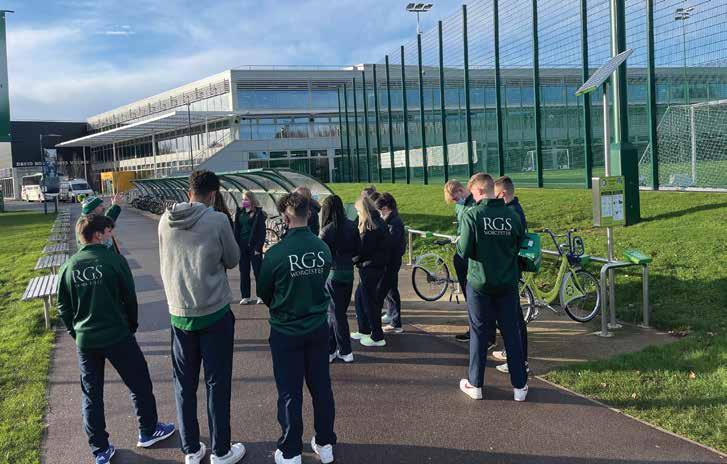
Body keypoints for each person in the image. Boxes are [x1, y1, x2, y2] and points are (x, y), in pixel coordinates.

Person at [57, 215, 175, 464]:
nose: (111, 236)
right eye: (108, 232)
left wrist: (75, 332)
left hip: (86, 340)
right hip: (117, 334)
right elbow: (129, 297)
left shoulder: (68, 266)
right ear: (98, 235)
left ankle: (100, 449)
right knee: (139, 382)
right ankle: (148, 429)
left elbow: (64, 307)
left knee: (91, 394)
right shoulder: (113, 260)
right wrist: (130, 325)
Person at [158, 170, 245, 464]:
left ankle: (191, 450)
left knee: (184, 385)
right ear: (213, 194)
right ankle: (221, 450)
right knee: (217, 384)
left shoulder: (164, 220)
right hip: (214, 313)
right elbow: (233, 259)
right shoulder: (217, 220)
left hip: (179, 314)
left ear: (189, 192)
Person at [257, 192, 337, 464]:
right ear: (309, 214)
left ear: (285, 218)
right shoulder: (322, 248)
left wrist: (282, 305)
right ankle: (325, 443)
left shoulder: (276, 254)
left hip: (286, 330)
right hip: (317, 327)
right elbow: (322, 279)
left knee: (290, 392)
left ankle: (291, 450)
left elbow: (264, 292)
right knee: (321, 387)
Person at [456, 173, 528, 402]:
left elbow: (463, 250)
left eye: (473, 193)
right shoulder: (512, 215)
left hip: (480, 282)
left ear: (479, 191)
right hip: (507, 281)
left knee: (479, 331)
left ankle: (475, 383)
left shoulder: (472, 215)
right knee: (511, 332)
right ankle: (520, 386)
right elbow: (520, 243)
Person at [492, 175, 529, 375]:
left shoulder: (512, 213)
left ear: (503, 194)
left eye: (496, 195)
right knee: (512, 317)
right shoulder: (514, 210)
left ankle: (520, 361)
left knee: (514, 319)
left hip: (509, 271)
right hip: (509, 270)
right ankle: (513, 354)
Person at [319, 194, 360, 363]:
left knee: (336, 314)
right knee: (336, 313)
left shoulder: (326, 230)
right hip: (348, 273)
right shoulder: (352, 225)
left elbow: (321, 256)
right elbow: (358, 250)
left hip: (332, 274)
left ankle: (345, 350)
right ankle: (331, 349)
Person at [351, 196, 390, 347]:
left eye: (358, 211)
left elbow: (362, 250)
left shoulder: (370, 227)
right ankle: (365, 329)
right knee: (361, 298)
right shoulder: (378, 222)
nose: (357, 214)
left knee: (369, 302)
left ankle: (377, 336)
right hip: (374, 266)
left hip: (370, 267)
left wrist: (350, 260)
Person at [443, 179, 477, 343]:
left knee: (475, 297)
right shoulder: (460, 206)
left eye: (456, 198)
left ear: (461, 191)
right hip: (461, 253)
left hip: (472, 256)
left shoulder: (475, 204)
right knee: (469, 296)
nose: (456, 202)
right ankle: (474, 328)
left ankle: (481, 331)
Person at [376, 193, 406, 333]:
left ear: (387, 208)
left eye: (381, 209)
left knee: (384, 291)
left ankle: (394, 321)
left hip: (391, 261)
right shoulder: (392, 220)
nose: (380, 212)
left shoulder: (394, 222)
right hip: (391, 261)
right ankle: (394, 319)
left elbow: (391, 243)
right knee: (391, 290)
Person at [234, 190, 267, 305]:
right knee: (244, 271)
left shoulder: (258, 213)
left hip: (254, 246)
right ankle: (245, 296)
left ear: (251, 200)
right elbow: (236, 229)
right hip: (242, 246)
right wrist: (236, 244)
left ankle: (261, 295)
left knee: (258, 271)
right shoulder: (240, 212)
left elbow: (262, 232)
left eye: (246, 199)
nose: (244, 201)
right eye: (243, 199)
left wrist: (258, 247)